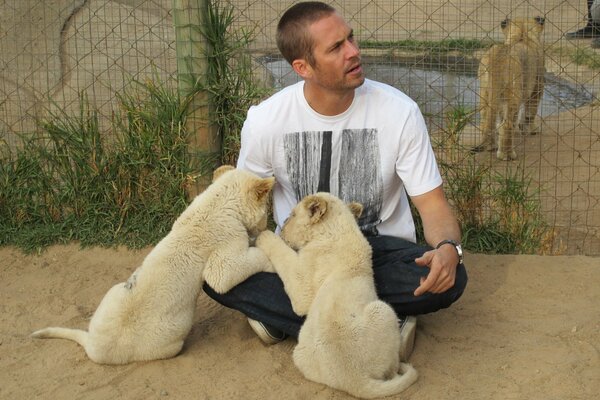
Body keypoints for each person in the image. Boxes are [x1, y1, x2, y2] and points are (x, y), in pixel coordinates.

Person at [203, 1, 468, 361]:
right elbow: (242, 207)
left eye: (351, 39)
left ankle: (285, 317)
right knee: (212, 270)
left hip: (376, 254)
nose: (354, 52)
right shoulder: (266, 121)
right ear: (303, 67)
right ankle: (378, 325)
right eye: (336, 48)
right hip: (302, 256)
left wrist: (448, 249)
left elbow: (434, 206)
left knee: (451, 279)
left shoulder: (399, 111)